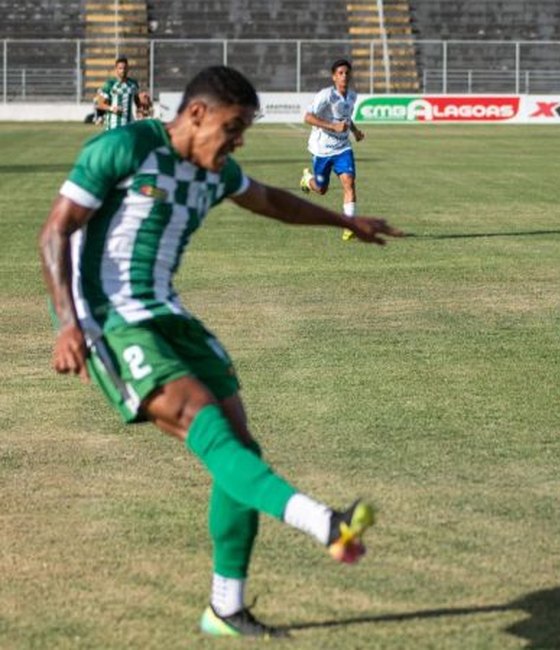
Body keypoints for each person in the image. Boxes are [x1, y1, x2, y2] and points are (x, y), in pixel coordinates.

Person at [39, 66, 404, 637]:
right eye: (233, 128)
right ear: (197, 114)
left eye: (244, 134)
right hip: (110, 321)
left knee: (241, 450)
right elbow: (56, 230)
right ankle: (326, 523)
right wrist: (67, 323)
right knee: (203, 425)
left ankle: (225, 608)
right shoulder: (126, 147)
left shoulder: (217, 172)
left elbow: (274, 201)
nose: (237, 143)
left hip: (170, 317)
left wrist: (343, 221)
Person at [300, 58, 366, 241]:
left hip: (343, 148)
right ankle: (307, 180)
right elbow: (308, 117)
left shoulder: (352, 96)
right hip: (321, 149)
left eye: (347, 73)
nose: (344, 76)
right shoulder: (326, 95)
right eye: (340, 73)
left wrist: (355, 132)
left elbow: (346, 118)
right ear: (334, 77)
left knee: (349, 182)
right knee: (321, 189)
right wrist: (332, 126)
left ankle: (350, 224)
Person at [94, 57, 149, 131]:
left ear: (128, 69)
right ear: (116, 69)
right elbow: (100, 104)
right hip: (113, 125)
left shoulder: (133, 84)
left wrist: (141, 109)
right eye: (120, 68)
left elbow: (137, 100)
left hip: (129, 124)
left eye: (125, 68)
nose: (123, 70)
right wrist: (112, 108)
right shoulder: (110, 84)